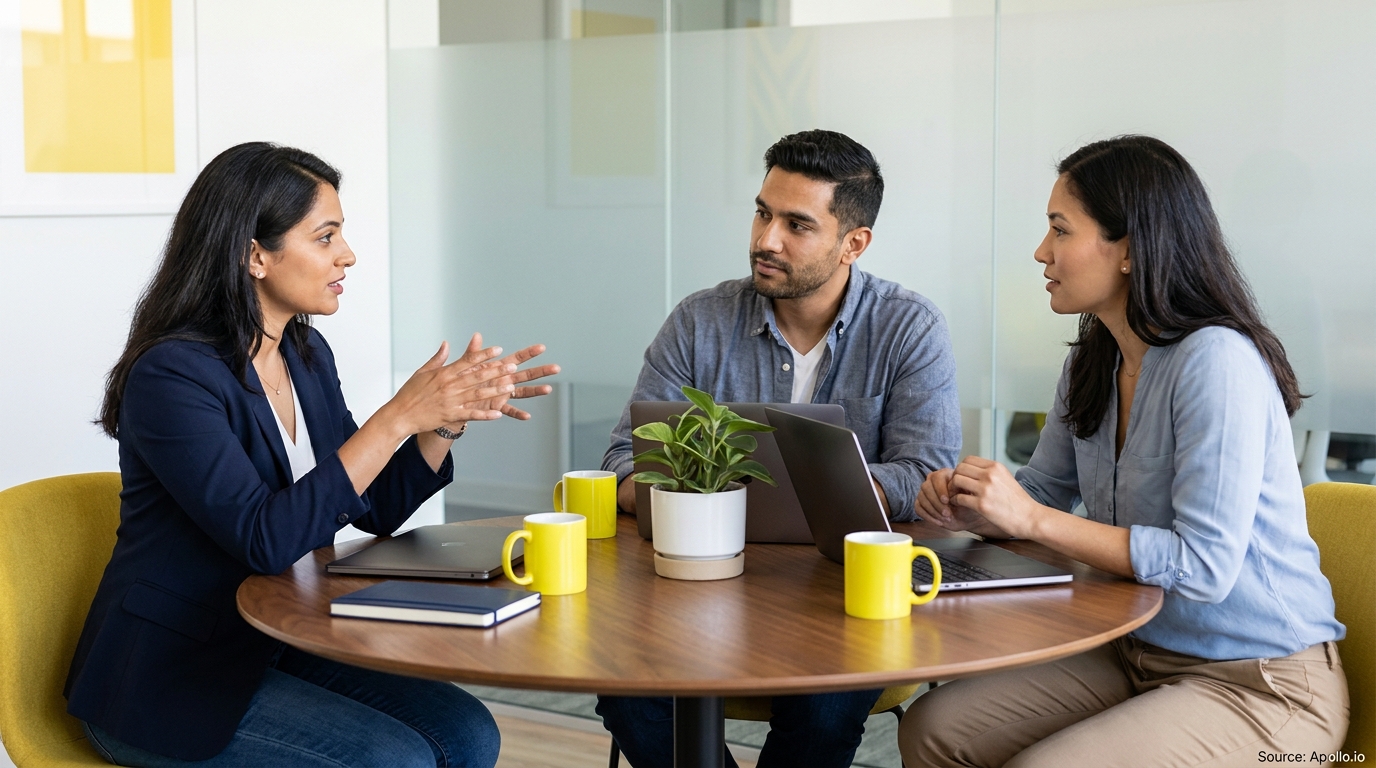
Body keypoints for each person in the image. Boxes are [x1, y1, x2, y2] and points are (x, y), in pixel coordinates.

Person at [65, 142, 560, 767]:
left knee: (466, 732)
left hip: (278, 638)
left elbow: (373, 506)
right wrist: (399, 415)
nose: (347, 255)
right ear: (254, 255)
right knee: (394, 759)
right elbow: (265, 538)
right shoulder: (172, 377)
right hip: (169, 680)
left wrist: (443, 423)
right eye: (325, 237)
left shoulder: (304, 353)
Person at [899, 135, 1348, 767]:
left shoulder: (1216, 362)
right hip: (1132, 649)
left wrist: (1027, 518)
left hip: (1262, 683)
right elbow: (1045, 493)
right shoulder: (1095, 358)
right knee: (934, 728)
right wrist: (975, 507)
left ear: (1131, 250)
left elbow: (1204, 566)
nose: (1040, 252)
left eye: (1060, 230)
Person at [597, 129, 963, 768]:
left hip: (841, 595)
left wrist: (833, 493)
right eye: (763, 212)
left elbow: (927, 472)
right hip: (698, 585)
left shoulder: (910, 327)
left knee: (824, 706)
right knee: (625, 689)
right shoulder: (699, 321)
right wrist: (692, 495)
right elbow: (622, 460)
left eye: (797, 224)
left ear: (854, 243)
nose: (766, 239)